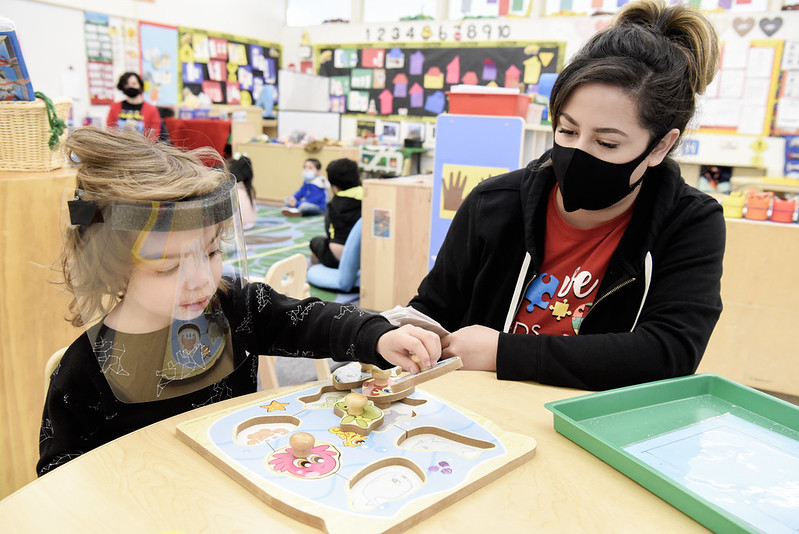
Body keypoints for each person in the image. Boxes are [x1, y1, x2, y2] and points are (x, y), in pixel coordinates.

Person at [38, 127, 440, 476]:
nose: (201, 280)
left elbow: (309, 320)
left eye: (212, 252)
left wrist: (377, 335)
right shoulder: (82, 372)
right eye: (168, 267)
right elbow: (59, 476)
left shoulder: (234, 308)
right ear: (112, 267)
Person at [408, 0, 724, 391]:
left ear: (660, 146)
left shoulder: (689, 221)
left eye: (607, 143)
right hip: (479, 412)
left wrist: (504, 352)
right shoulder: (494, 202)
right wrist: (407, 336)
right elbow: (433, 310)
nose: (578, 153)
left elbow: (669, 352)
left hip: (590, 419)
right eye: (568, 131)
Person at [310, 158, 363, 268]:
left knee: (315, 242)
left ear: (334, 186)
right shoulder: (370, 197)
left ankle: (312, 271)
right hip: (365, 256)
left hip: (339, 257)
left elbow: (330, 232)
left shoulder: (334, 205)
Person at [106, 72, 161, 139]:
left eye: (134, 83)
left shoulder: (151, 110)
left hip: (143, 145)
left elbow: (154, 134)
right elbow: (110, 130)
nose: (130, 86)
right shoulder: (115, 107)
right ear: (122, 87)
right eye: (127, 84)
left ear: (140, 85)